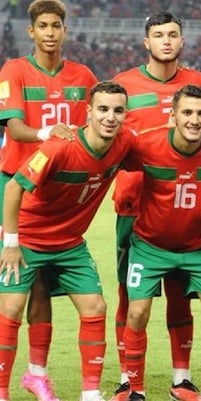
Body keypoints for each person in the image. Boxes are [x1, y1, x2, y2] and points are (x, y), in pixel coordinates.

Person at [109, 11, 201, 401]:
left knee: (180, 294)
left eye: (173, 34)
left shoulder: (199, 83)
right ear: (147, 42)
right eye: (159, 35)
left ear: (182, 41)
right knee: (129, 296)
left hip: (183, 208)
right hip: (133, 206)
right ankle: (127, 378)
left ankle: (182, 378)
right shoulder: (124, 84)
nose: (167, 41)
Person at [0, 80, 132, 401]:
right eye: (103, 109)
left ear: (126, 114)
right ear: (88, 112)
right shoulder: (58, 148)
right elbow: (13, 188)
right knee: (12, 309)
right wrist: (11, 243)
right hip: (28, 239)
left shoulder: (125, 142)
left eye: (118, 110)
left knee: (95, 306)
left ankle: (90, 393)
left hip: (70, 243)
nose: (110, 117)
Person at [0, 1, 97, 399]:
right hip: (16, 186)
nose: (50, 32)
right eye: (43, 26)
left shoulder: (83, 76)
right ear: (32, 31)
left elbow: (98, 120)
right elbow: (15, 127)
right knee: (13, 289)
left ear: (65, 30)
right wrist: (47, 133)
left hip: (57, 192)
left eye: (56, 25)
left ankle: (36, 374)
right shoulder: (14, 71)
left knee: (42, 284)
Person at [118, 84, 201, 401]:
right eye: (187, 113)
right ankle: (135, 390)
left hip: (198, 247)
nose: (194, 120)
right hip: (149, 246)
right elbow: (109, 158)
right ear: (173, 116)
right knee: (137, 312)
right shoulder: (147, 145)